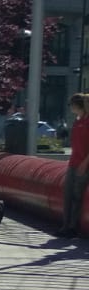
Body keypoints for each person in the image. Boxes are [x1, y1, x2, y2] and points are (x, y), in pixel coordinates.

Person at [63, 93, 89, 236]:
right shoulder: (78, 121)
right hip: (73, 162)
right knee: (68, 194)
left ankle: (73, 227)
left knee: (77, 195)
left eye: (71, 104)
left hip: (83, 164)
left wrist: (85, 164)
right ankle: (65, 225)